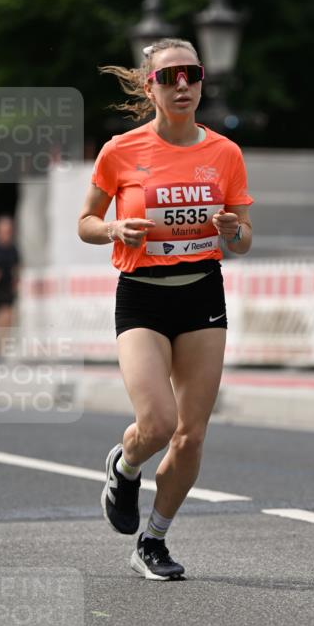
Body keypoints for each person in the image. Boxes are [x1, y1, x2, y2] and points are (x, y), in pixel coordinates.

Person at [77, 38, 254, 581]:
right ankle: (125, 465)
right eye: (170, 77)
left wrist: (233, 231)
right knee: (157, 423)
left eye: (191, 75)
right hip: (143, 293)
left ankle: (152, 541)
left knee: (192, 434)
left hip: (202, 290)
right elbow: (85, 222)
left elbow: (244, 238)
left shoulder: (225, 153)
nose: (183, 86)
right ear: (149, 85)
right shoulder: (121, 150)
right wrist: (111, 228)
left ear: (202, 81)